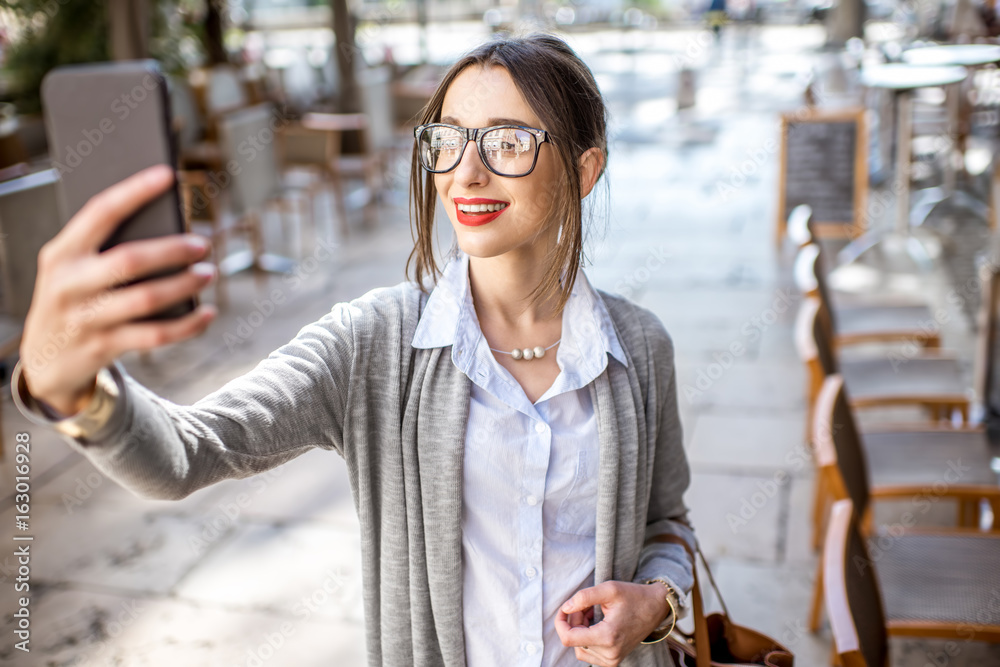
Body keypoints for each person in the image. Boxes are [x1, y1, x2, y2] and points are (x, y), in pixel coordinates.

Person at [12, 33, 695, 667]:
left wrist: (656, 604)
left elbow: (666, 522)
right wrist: (75, 389)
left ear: (584, 171)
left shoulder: (639, 346)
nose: (467, 172)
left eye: (508, 142)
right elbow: (186, 453)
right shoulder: (375, 343)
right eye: (448, 139)